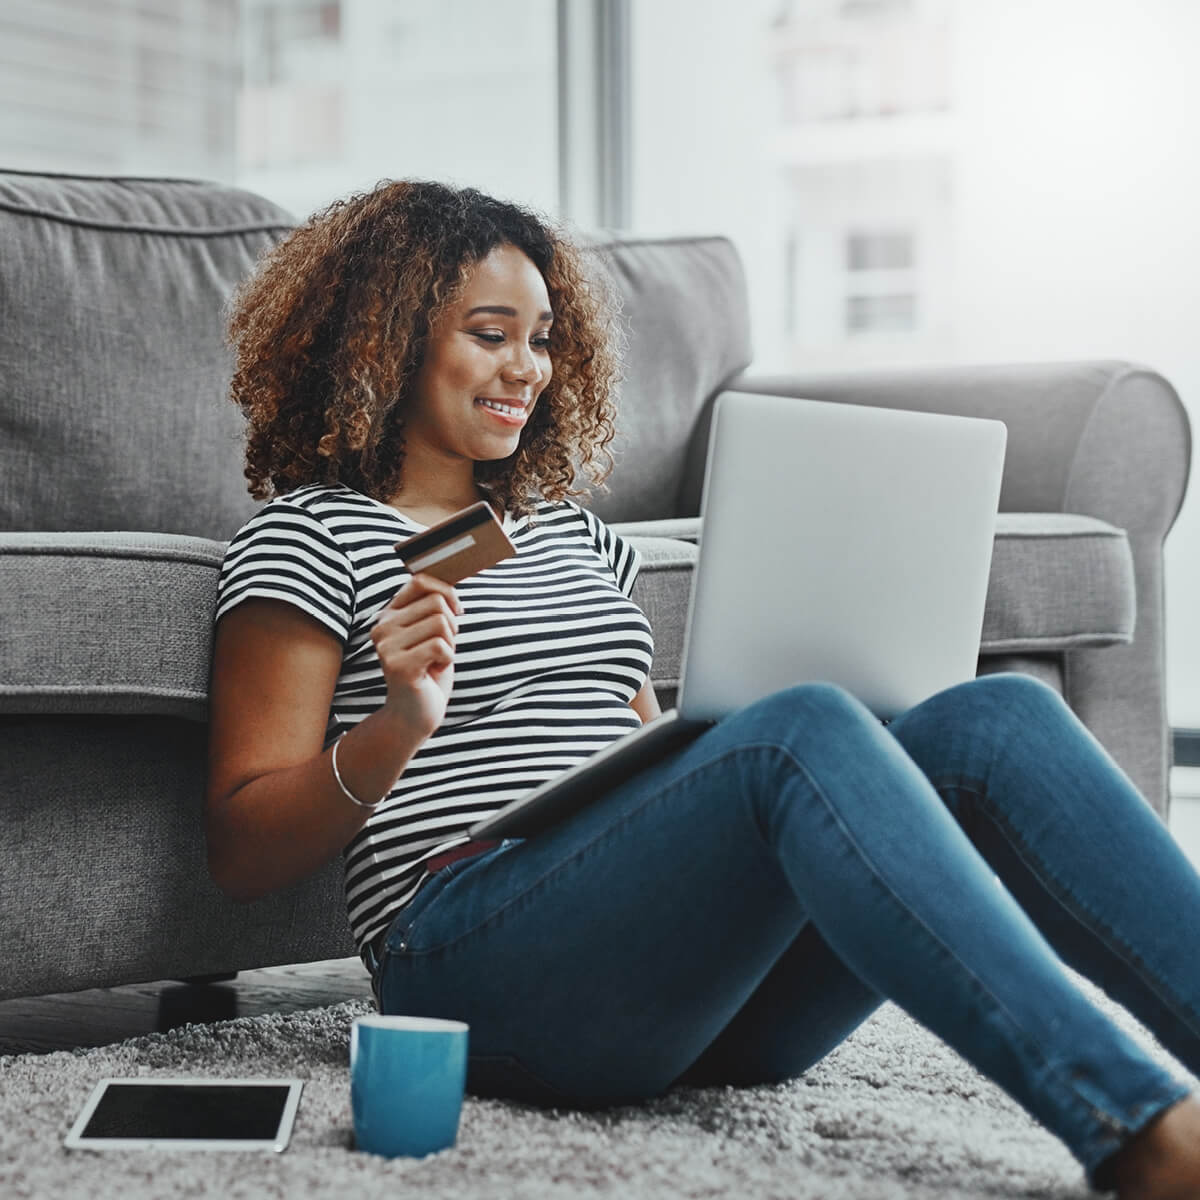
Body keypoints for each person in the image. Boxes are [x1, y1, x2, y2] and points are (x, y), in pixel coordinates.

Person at [206, 178, 1200, 1198]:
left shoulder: (582, 541)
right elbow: (242, 849)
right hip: (468, 954)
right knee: (795, 731)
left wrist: (697, 751)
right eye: (491, 334)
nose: (528, 369)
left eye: (543, 339)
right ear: (387, 342)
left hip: (694, 996)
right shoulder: (308, 537)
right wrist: (397, 727)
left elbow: (642, 754)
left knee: (996, 717)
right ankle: (1138, 1129)